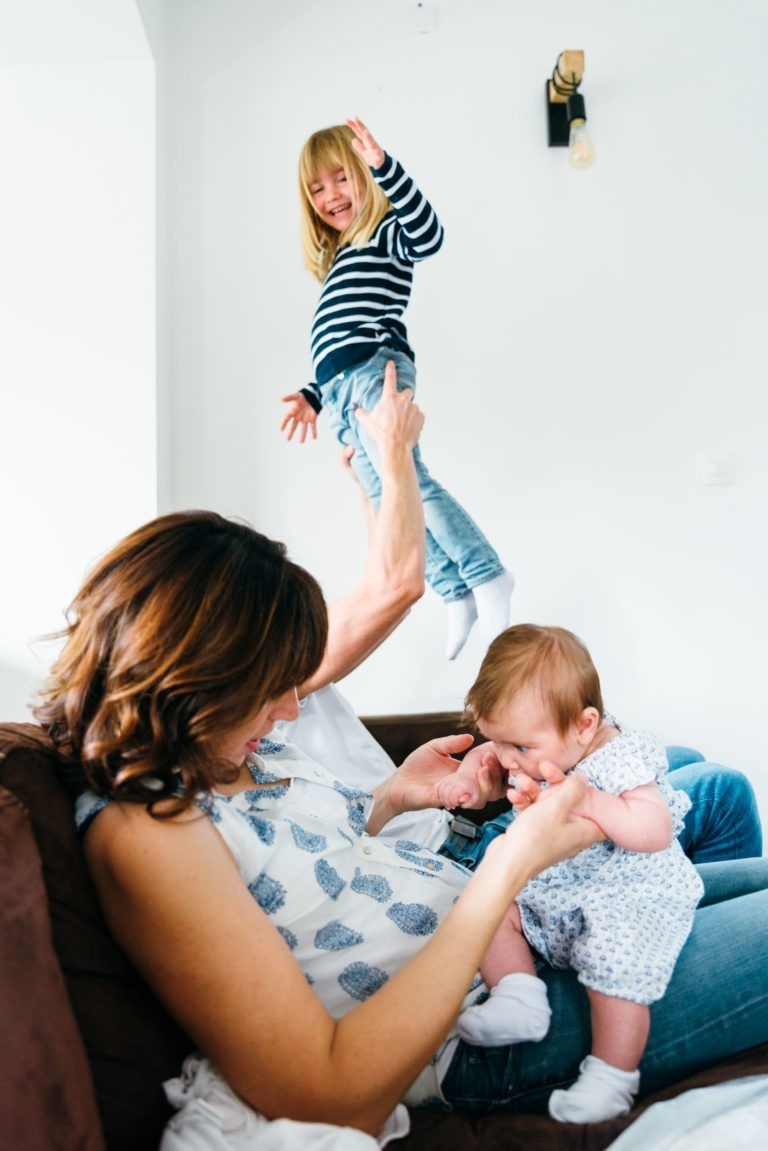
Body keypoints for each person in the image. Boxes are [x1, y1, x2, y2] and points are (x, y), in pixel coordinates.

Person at [435, 625, 705, 1123]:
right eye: (499, 741)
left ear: (585, 725)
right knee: (490, 907)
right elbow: (488, 754)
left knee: (615, 962)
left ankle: (611, 1075)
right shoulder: (526, 742)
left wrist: (593, 801)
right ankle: (519, 994)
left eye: (519, 746)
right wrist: (467, 777)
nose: (509, 759)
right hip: (552, 889)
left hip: (622, 895)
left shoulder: (624, 755)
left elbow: (655, 829)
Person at [279, 115, 513, 660]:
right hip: (341, 388)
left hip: (374, 371)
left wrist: (386, 169)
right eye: (316, 188)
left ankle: (487, 575)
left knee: (411, 482)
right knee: (391, 504)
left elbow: (429, 234)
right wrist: (313, 395)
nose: (329, 195)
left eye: (341, 178)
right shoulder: (342, 258)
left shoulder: (386, 235)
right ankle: (455, 590)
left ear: (364, 175)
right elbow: (337, 339)